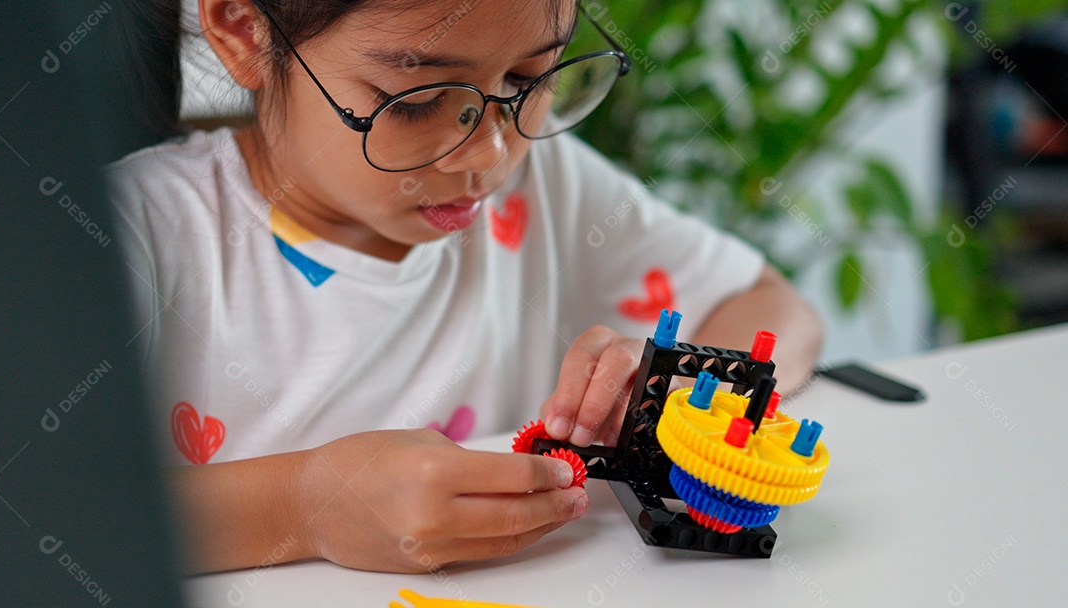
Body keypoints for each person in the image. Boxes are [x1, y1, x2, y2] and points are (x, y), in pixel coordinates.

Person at [106, 0, 823, 574]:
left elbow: (777, 308)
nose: (490, 153)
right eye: (416, 100)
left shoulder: (550, 184)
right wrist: (306, 507)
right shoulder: (139, 234)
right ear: (244, 30)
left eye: (524, 82)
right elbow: (44, 514)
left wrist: (680, 396)